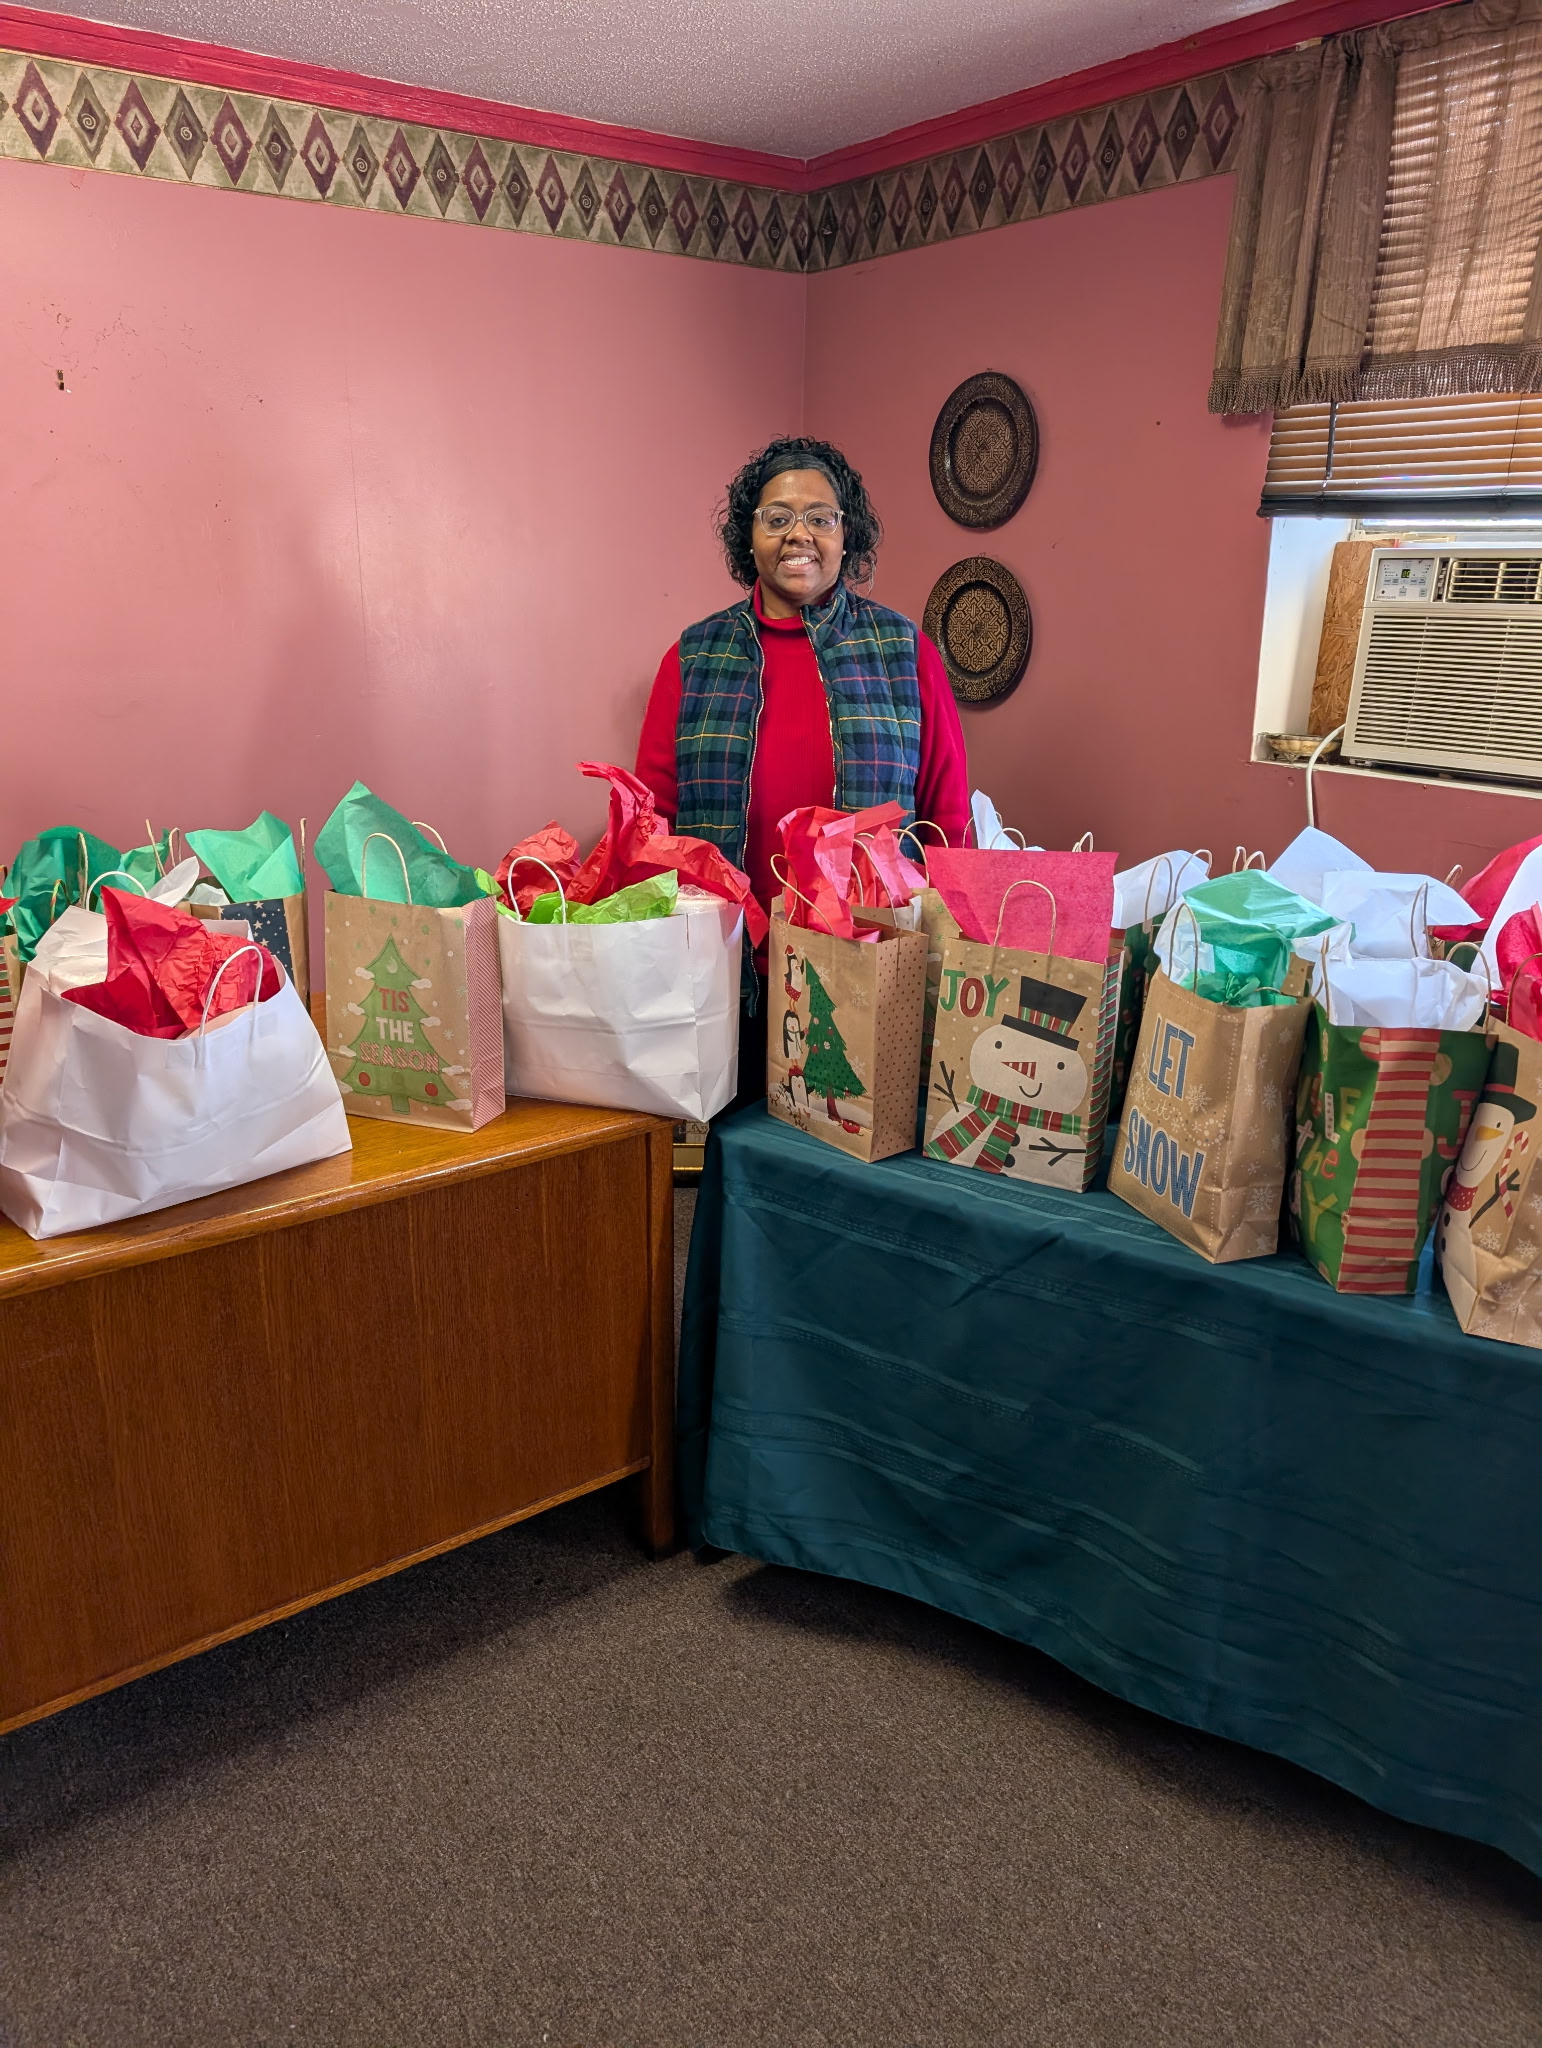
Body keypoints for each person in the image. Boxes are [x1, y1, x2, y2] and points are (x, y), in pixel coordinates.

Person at [635, 435, 971, 1094]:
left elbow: (949, 820)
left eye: (821, 517)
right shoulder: (695, 657)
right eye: (778, 516)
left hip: (866, 971)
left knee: (849, 1151)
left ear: (848, 534)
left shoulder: (904, 651)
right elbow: (650, 824)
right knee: (730, 1157)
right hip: (723, 972)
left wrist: (941, 955)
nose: (801, 535)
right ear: (749, 536)